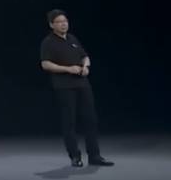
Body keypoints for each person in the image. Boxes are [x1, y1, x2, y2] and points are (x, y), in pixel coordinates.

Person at [39, 9, 115, 168]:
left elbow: (84, 56)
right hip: (64, 86)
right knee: (69, 122)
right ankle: (75, 156)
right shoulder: (48, 42)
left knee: (90, 120)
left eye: (65, 21)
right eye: (59, 22)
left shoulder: (72, 38)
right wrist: (68, 69)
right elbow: (45, 64)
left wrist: (86, 66)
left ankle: (94, 156)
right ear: (52, 25)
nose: (63, 24)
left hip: (82, 84)